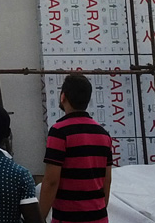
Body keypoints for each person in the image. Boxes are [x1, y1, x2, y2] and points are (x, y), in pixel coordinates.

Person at [39, 74, 114, 223]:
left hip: (68, 217)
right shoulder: (103, 134)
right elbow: (107, 181)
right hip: (98, 217)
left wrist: (38, 217)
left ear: (63, 97)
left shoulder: (59, 132)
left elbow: (51, 181)